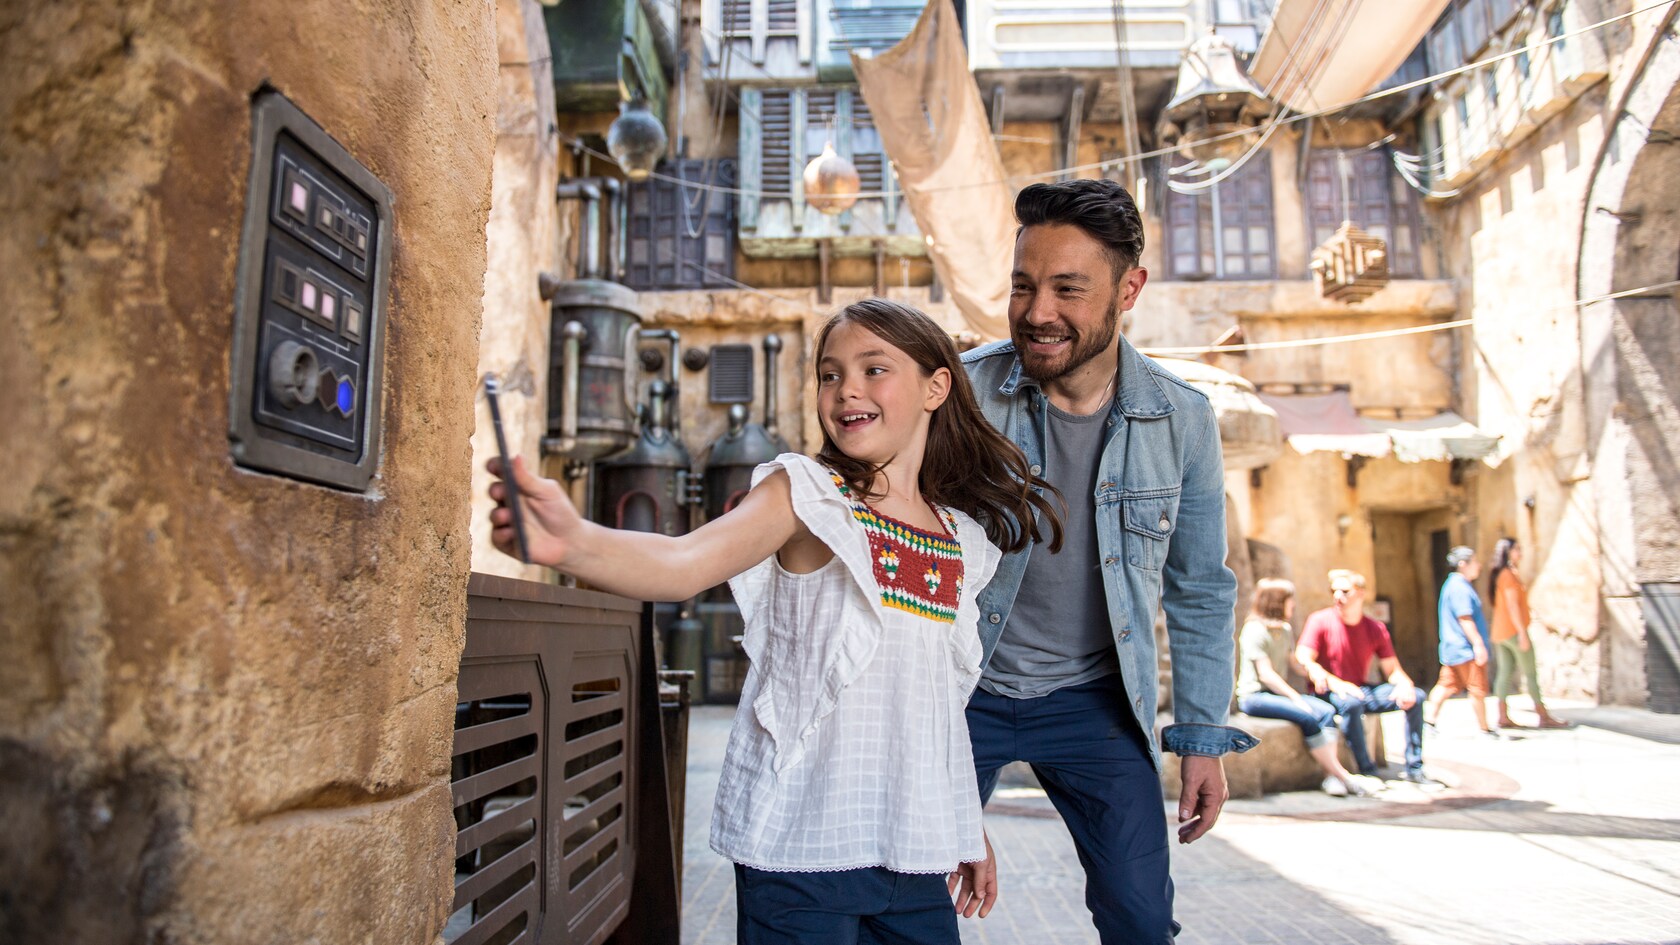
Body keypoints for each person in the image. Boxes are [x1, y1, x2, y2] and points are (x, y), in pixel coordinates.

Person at [487, 299, 1065, 945]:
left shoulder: (958, 537)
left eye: (875, 369)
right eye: (829, 373)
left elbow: (936, 708)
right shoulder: (806, 494)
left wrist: (963, 823)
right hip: (799, 852)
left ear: (937, 386)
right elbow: (683, 561)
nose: (846, 388)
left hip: (913, 853)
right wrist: (571, 541)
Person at [961, 177, 1255, 945]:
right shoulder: (963, 394)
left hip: (1093, 699)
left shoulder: (1182, 418)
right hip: (962, 689)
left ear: (1130, 289)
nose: (1036, 312)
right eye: (1024, 286)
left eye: (1067, 289)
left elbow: (1199, 588)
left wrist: (1198, 733)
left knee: (1140, 918)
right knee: (903, 895)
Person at [1235, 579, 1377, 797]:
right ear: (1277, 601)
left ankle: (1331, 776)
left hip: (1276, 694)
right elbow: (1267, 674)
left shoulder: (1284, 629)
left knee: (1326, 711)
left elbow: (1295, 663)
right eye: (1289, 601)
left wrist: (1317, 672)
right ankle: (1341, 775)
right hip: (1255, 696)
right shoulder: (1254, 629)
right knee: (1308, 717)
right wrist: (1295, 698)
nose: (1292, 606)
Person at [1295, 569, 1430, 782]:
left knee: (1416, 697)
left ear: (1360, 594)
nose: (1337, 596)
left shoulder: (1375, 628)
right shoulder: (1319, 620)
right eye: (1334, 591)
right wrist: (1329, 679)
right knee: (1351, 703)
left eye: (1345, 591)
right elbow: (1303, 656)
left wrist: (1405, 684)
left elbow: (1392, 669)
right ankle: (1367, 770)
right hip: (1329, 692)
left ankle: (1415, 767)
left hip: (1361, 689)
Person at [1487, 537, 1569, 729]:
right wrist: (1522, 633)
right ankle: (1543, 715)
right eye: (1517, 549)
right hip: (1513, 631)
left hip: (1500, 632)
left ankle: (1502, 716)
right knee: (1531, 673)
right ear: (1508, 552)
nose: (1520, 553)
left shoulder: (1501, 574)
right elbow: (1512, 606)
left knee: (1505, 673)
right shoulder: (1508, 575)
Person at [1425, 546, 1498, 738]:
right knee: (1477, 688)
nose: (1478, 566)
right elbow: (1464, 618)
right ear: (1462, 564)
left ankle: (1429, 720)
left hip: (1452, 647)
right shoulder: (1460, 587)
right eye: (1474, 562)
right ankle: (1484, 728)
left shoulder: (1451, 585)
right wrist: (1478, 644)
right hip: (1464, 648)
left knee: (1446, 685)